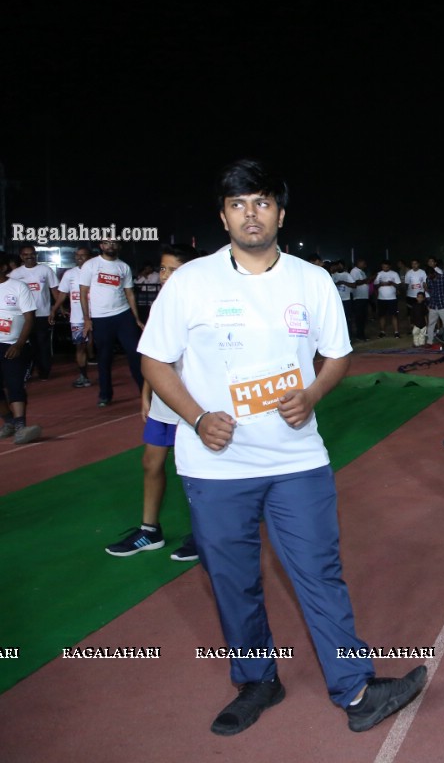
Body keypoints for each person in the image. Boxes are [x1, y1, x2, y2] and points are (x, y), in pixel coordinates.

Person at [138, 160, 425, 736]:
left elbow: (338, 354)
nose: (251, 213)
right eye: (239, 203)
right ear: (223, 215)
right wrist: (195, 417)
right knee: (232, 577)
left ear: (281, 214)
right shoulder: (191, 281)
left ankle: (357, 689)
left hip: (297, 460)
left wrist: (314, 392)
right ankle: (257, 681)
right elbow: (155, 359)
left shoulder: (311, 280)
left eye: (262, 202)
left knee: (319, 572)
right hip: (215, 466)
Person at [105, 245, 202, 560]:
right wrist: (146, 393)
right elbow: (155, 356)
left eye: (174, 269)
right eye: (163, 269)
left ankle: (205, 534)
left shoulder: (203, 304)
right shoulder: (161, 304)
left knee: (196, 470)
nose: (165, 276)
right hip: (164, 399)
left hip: (194, 401)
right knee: (151, 462)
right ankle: (149, 531)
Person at [78, 240, 143, 407]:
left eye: (114, 243)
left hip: (123, 315)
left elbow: (129, 293)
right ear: (101, 246)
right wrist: (87, 319)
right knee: (105, 358)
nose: (111, 246)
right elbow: (83, 292)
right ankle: (105, 395)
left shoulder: (124, 267)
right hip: (100, 318)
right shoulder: (90, 265)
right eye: (107, 243)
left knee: (135, 354)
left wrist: (135, 318)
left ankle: (145, 392)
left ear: (119, 246)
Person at [0, 261, 41, 444]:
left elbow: (29, 319)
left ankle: (20, 427)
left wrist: (19, 344)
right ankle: (8, 422)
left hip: (15, 345)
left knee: (14, 384)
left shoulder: (18, 287)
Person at [9, 244, 59, 382]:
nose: (29, 256)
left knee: (43, 346)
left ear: (36, 254)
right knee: (24, 346)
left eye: (32, 253)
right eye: (25, 254)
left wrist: (57, 309)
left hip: (43, 315)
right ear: (21, 256)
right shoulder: (15, 274)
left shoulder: (45, 270)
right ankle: (27, 372)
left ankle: (44, 372)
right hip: (23, 317)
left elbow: (55, 290)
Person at [52, 247, 94, 388]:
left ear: (90, 257)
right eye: (77, 255)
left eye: (83, 255)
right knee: (80, 346)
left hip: (99, 316)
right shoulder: (69, 274)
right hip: (78, 318)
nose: (79, 258)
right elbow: (62, 293)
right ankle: (83, 375)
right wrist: (54, 309)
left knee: (97, 346)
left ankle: (105, 376)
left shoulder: (96, 272)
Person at [373, 260, 402, 338]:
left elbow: (399, 285)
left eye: (386, 267)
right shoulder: (379, 274)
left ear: (390, 267)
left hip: (392, 298)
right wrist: (380, 284)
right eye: (383, 267)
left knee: (394, 315)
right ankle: (382, 331)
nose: (385, 268)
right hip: (381, 298)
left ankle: (396, 332)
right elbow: (375, 286)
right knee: (382, 315)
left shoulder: (394, 274)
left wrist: (392, 283)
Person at [348, 258, 370, 342]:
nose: (365, 265)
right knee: (359, 317)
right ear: (359, 262)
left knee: (363, 317)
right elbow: (356, 282)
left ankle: (361, 334)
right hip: (358, 298)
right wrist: (367, 280)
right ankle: (359, 335)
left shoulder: (361, 271)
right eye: (363, 263)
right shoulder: (354, 271)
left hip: (363, 297)